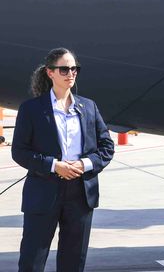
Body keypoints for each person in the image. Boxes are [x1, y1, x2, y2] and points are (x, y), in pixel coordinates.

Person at [12, 47, 115, 272]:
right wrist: (54, 165)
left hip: (80, 193)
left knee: (73, 262)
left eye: (74, 69)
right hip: (43, 191)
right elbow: (19, 151)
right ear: (50, 73)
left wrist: (84, 164)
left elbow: (107, 147)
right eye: (64, 69)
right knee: (32, 260)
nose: (71, 73)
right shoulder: (31, 109)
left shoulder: (88, 107)